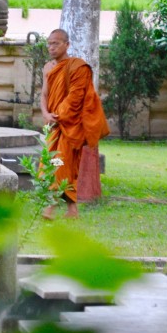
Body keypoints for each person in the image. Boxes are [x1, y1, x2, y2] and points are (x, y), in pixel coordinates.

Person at [40, 28, 110, 218]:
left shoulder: (77, 67)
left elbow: (76, 97)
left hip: (68, 125)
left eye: (56, 43)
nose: (51, 47)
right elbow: (44, 94)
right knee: (58, 163)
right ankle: (72, 210)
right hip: (53, 124)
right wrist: (46, 114)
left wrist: (59, 116)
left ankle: (51, 208)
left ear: (67, 45)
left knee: (61, 163)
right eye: (49, 43)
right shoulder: (48, 67)